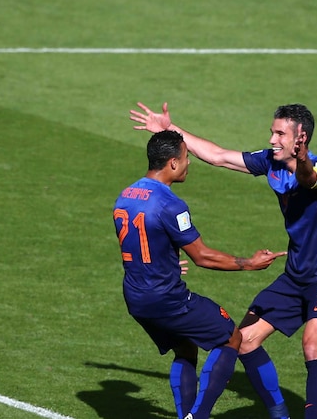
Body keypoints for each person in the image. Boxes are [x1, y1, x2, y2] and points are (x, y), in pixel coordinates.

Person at [130, 102, 317, 419]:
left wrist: (302, 159)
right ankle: (279, 415)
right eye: (272, 132)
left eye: (280, 134)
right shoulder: (270, 162)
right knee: (245, 340)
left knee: (313, 343)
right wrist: (170, 130)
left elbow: (309, 179)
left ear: (300, 139)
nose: (273, 139)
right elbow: (218, 156)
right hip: (294, 275)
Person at [114, 130, 286, 419]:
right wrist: (249, 263)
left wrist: (163, 265)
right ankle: (199, 416)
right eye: (186, 157)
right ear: (171, 163)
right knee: (231, 337)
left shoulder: (126, 195)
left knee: (185, 348)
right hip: (167, 298)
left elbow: (138, 245)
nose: (189, 163)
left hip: (136, 296)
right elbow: (202, 256)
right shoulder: (170, 204)